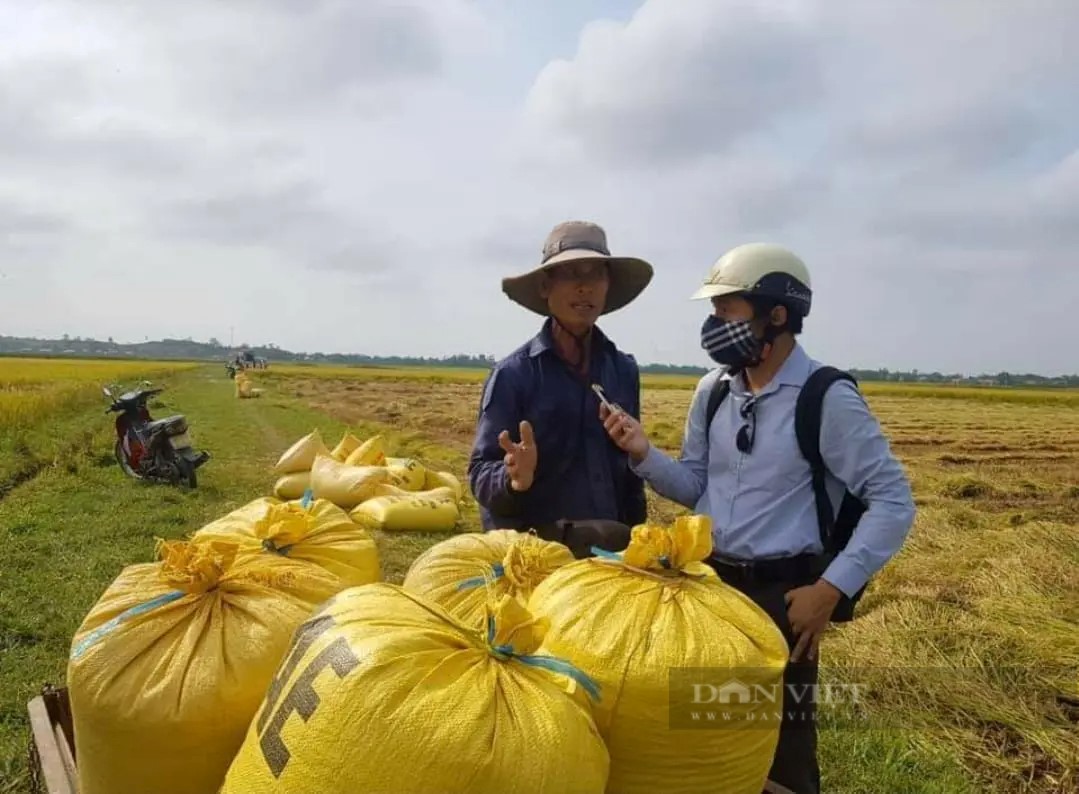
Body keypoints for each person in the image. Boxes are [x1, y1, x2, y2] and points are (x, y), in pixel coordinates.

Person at [600, 242, 915, 794]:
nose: (716, 323)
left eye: (729, 309)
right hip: (711, 588)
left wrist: (830, 589)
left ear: (777, 314)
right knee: (709, 742)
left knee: (783, 752)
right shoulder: (713, 391)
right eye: (715, 311)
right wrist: (643, 454)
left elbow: (892, 500)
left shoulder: (826, 397)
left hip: (785, 600)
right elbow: (697, 487)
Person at [468, 220, 655, 556]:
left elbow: (629, 477)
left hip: (612, 554)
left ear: (608, 285)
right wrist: (513, 478)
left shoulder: (623, 370)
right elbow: (481, 473)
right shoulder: (514, 375)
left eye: (595, 273)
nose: (585, 287)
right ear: (544, 286)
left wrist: (640, 540)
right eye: (571, 273)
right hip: (536, 557)